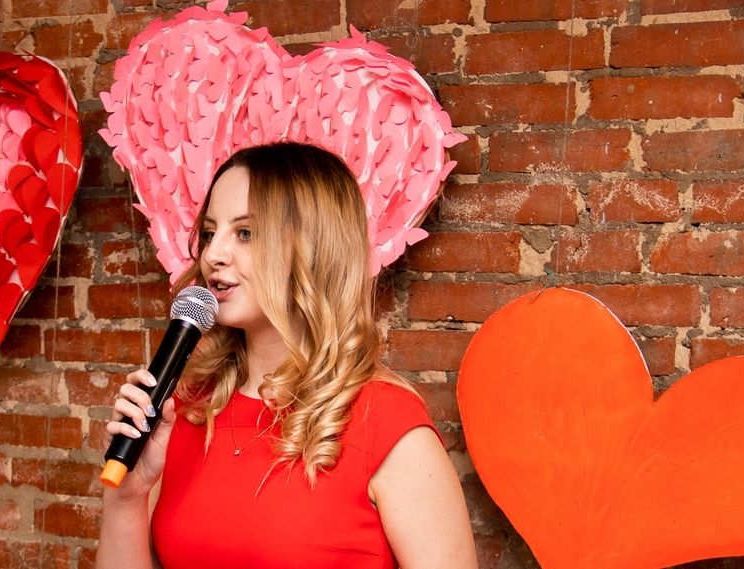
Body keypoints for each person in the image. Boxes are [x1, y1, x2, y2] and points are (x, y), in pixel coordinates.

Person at [95, 142, 477, 569]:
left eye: (245, 233)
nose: (212, 255)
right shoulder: (182, 412)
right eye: (209, 233)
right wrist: (126, 499)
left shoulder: (387, 423)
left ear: (312, 248)